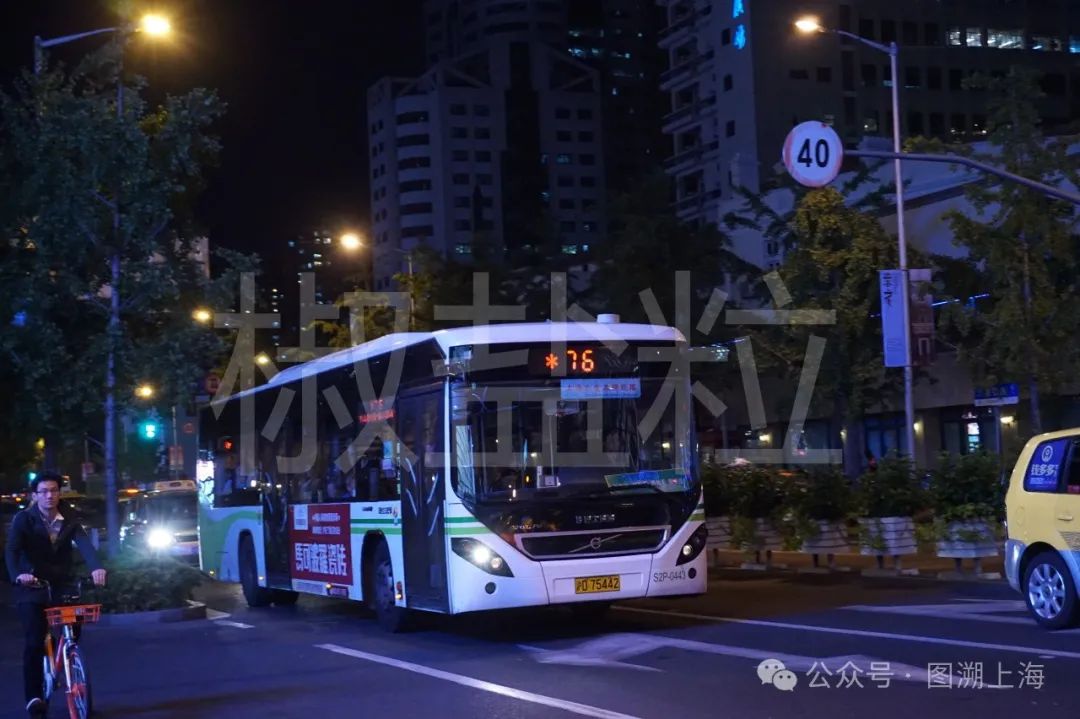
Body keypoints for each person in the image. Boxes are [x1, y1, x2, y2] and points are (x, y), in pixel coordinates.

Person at [5, 473, 106, 716]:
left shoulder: (69, 518)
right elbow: (12, 550)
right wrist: (19, 574)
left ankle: (69, 656)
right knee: (33, 641)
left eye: (54, 490)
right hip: (32, 584)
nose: (50, 495)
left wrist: (96, 567)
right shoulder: (24, 519)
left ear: (60, 492)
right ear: (35, 495)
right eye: (44, 491)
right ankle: (34, 697)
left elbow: (84, 543)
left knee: (76, 623)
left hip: (62, 582)